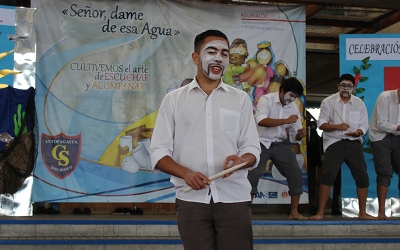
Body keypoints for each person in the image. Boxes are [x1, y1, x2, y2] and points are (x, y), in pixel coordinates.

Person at [150, 30, 261, 250]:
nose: (219, 58)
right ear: (195, 57)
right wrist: (185, 174)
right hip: (191, 201)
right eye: (212, 51)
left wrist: (242, 159)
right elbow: (158, 152)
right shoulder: (173, 100)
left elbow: (252, 148)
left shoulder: (240, 99)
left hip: (234, 198)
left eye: (224, 53)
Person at [311, 73, 376, 220]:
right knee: (328, 176)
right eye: (343, 85)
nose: (346, 88)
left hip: (354, 143)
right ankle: (320, 212)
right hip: (334, 143)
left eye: (349, 86)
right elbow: (321, 124)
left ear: (354, 87)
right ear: (338, 86)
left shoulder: (359, 103)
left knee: (362, 177)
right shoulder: (328, 102)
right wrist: (337, 126)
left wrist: (359, 132)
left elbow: (364, 125)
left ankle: (362, 213)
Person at [247, 77, 308, 220]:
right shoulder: (266, 100)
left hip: (281, 144)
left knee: (296, 173)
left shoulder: (293, 107)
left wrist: (300, 135)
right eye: (290, 95)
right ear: (282, 91)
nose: (292, 99)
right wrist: (286, 121)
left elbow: (295, 136)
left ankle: (294, 212)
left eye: (295, 97)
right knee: (253, 174)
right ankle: (245, 212)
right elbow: (261, 121)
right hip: (260, 142)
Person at [369, 87, 400, 220]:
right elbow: (381, 124)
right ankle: (381, 212)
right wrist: (398, 127)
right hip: (380, 137)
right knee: (384, 173)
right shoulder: (385, 97)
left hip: (398, 137)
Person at [305, 112, 322, 215]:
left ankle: (312, 206)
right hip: (300, 162)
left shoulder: (313, 132)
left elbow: (317, 149)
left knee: (312, 185)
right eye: (305, 117)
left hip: (311, 163)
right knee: (297, 184)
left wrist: (318, 163)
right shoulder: (297, 130)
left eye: (308, 118)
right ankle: (294, 207)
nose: (307, 119)